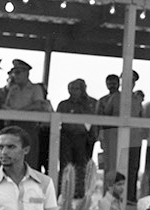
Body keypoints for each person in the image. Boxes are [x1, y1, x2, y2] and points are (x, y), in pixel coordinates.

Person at [101, 71, 143, 203]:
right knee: (114, 168)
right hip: (116, 139)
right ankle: (111, 198)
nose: (130, 83)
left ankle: (130, 198)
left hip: (134, 139)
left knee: (132, 169)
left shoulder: (137, 99)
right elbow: (106, 118)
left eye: (132, 81)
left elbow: (141, 118)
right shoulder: (115, 97)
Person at [2, 60, 47, 171]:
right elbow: (7, 105)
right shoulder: (13, 89)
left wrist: (18, 111)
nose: (15, 76)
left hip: (28, 127)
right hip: (13, 126)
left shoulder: (35, 88)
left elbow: (38, 105)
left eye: (18, 73)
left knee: (29, 158)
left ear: (26, 73)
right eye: (14, 73)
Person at [56, 79, 97, 181]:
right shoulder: (63, 104)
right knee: (66, 166)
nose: (73, 91)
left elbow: (95, 121)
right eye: (71, 88)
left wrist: (93, 137)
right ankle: (63, 189)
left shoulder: (91, 103)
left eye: (76, 88)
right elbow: (56, 122)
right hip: (66, 138)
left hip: (83, 138)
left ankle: (80, 189)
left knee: (82, 167)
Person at [95, 74, 120, 171]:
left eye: (114, 83)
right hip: (107, 134)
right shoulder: (102, 100)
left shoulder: (124, 99)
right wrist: (100, 135)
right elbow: (98, 119)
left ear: (118, 84)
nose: (111, 86)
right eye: (109, 84)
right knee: (107, 162)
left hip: (122, 133)